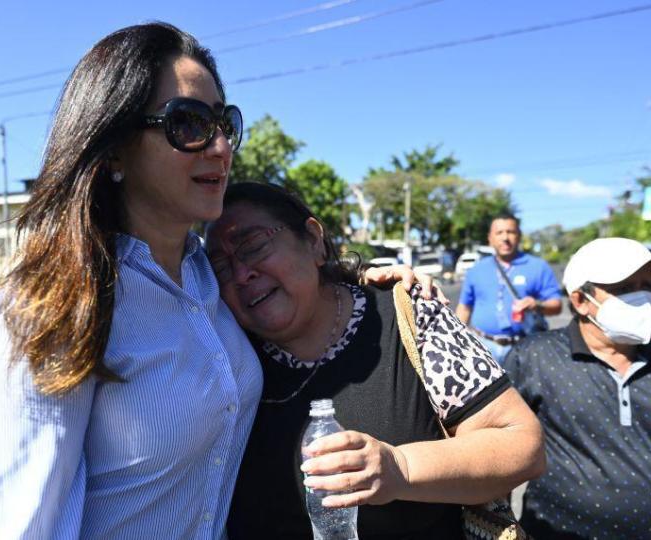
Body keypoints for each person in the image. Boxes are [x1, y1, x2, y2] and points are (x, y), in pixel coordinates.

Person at [0, 23, 262, 538]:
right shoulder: (52, 308)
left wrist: (364, 283)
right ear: (115, 148)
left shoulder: (209, 277)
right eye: (188, 123)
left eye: (223, 122)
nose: (219, 146)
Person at [205, 182, 546, 539]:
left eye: (254, 247)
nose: (242, 275)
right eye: (220, 270)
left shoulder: (407, 317)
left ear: (313, 240)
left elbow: (521, 444)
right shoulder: (222, 350)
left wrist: (399, 469)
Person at [505, 237, 651, 539]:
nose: (641, 298)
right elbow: (498, 452)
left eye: (647, 286)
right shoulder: (535, 358)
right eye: (624, 289)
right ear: (581, 301)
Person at [455, 213, 562, 363]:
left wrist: (536, 305)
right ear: (490, 238)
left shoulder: (538, 267)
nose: (505, 238)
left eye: (510, 232)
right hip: (482, 347)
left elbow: (556, 306)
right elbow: (464, 308)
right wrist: (456, 341)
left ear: (519, 235)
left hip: (525, 347)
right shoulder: (476, 270)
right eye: (499, 233)